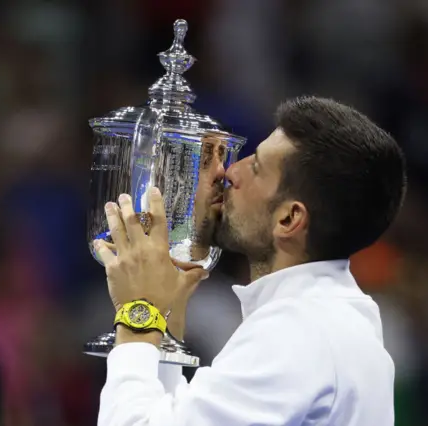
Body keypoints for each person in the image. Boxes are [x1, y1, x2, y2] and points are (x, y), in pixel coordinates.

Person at [92, 96, 407, 425]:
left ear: (288, 219)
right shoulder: (326, 319)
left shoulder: (296, 333)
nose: (230, 171)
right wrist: (166, 327)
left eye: (255, 167)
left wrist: (139, 314)